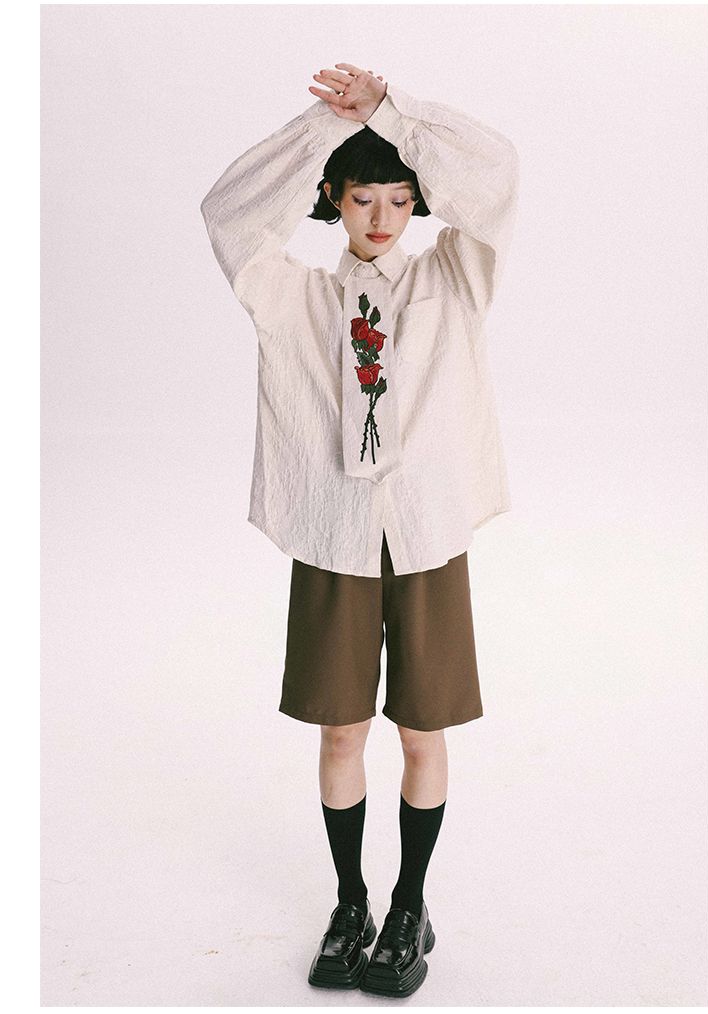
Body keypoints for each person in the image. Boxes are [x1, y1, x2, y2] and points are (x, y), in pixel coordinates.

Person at [200, 61, 520, 999]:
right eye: (361, 198)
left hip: (426, 538)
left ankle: (410, 906)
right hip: (335, 537)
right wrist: (323, 130)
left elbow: (497, 173)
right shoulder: (293, 295)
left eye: (398, 199)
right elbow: (226, 213)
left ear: (418, 203)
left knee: (423, 729)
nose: (381, 217)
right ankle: (351, 904)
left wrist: (393, 114)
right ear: (333, 201)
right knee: (340, 731)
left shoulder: (454, 279)